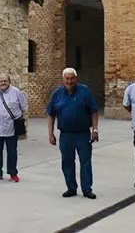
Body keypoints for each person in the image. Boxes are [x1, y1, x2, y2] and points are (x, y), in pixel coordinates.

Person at [46, 67, 99, 199]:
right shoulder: (57, 94)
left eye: (72, 78)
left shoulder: (84, 91)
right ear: (63, 79)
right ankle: (71, 188)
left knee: (85, 162)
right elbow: (51, 114)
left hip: (82, 134)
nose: (69, 81)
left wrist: (95, 129)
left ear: (76, 79)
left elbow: (94, 111)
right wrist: (50, 133)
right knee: (67, 162)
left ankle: (87, 189)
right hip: (65, 135)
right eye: (67, 78)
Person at [0, 74, 29, 182]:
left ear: (9, 81)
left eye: (5, 81)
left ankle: (13, 173)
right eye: (1, 81)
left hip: (11, 128)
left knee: (12, 152)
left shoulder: (17, 92)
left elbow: (24, 107)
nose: (3, 83)